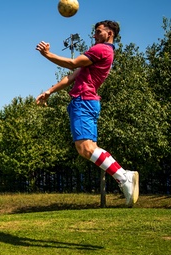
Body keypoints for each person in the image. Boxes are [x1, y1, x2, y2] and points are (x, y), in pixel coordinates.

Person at [35, 20, 139, 207]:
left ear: (109, 33)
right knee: (90, 148)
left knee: (85, 149)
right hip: (86, 101)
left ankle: (124, 177)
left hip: (83, 101)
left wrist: (47, 54)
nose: (94, 35)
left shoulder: (102, 49)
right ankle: (124, 177)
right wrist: (49, 91)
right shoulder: (98, 54)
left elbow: (72, 63)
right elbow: (71, 76)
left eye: (98, 32)